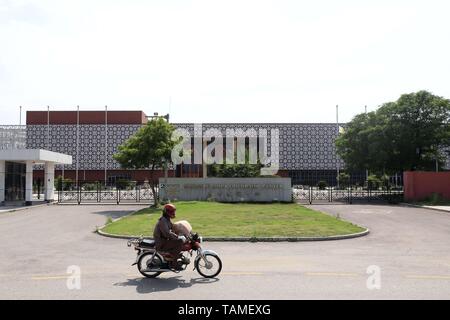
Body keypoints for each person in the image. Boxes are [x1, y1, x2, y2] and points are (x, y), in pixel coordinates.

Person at [153, 203, 186, 270]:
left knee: (179, 240)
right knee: (179, 242)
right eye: (172, 212)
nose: (173, 213)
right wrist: (177, 237)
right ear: (167, 212)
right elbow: (167, 233)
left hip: (164, 241)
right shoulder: (163, 221)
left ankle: (172, 257)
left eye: (174, 211)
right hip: (161, 243)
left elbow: (173, 227)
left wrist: (183, 231)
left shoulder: (167, 220)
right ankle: (174, 263)